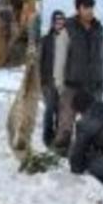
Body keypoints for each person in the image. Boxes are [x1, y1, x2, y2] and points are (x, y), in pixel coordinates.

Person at [54, 0, 103, 152]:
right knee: (65, 125)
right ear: (78, 8)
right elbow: (60, 59)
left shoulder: (99, 30)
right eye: (86, 7)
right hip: (72, 85)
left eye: (91, 7)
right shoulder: (67, 30)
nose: (90, 11)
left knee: (94, 125)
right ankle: (61, 153)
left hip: (94, 86)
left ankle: (88, 154)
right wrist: (59, 84)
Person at [40, 10, 70, 147]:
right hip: (48, 81)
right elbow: (40, 61)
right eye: (57, 21)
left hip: (63, 81)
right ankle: (47, 137)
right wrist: (41, 80)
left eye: (62, 21)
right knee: (50, 108)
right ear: (53, 23)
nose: (60, 24)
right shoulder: (46, 40)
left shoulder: (68, 40)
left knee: (61, 110)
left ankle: (58, 137)